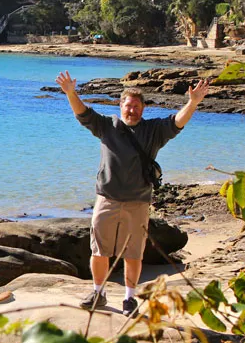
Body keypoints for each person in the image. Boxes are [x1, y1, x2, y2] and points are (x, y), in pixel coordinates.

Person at [55, 71, 209, 316]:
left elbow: (177, 122)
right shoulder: (108, 126)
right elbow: (82, 113)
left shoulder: (153, 131)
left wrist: (192, 103)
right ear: (121, 106)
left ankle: (129, 298)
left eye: (137, 107)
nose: (132, 110)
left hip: (137, 202)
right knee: (99, 250)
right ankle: (98, 292)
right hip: (107, 199)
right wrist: (71, 93)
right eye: (128, 106)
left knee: (133, 253)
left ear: (143, 109)